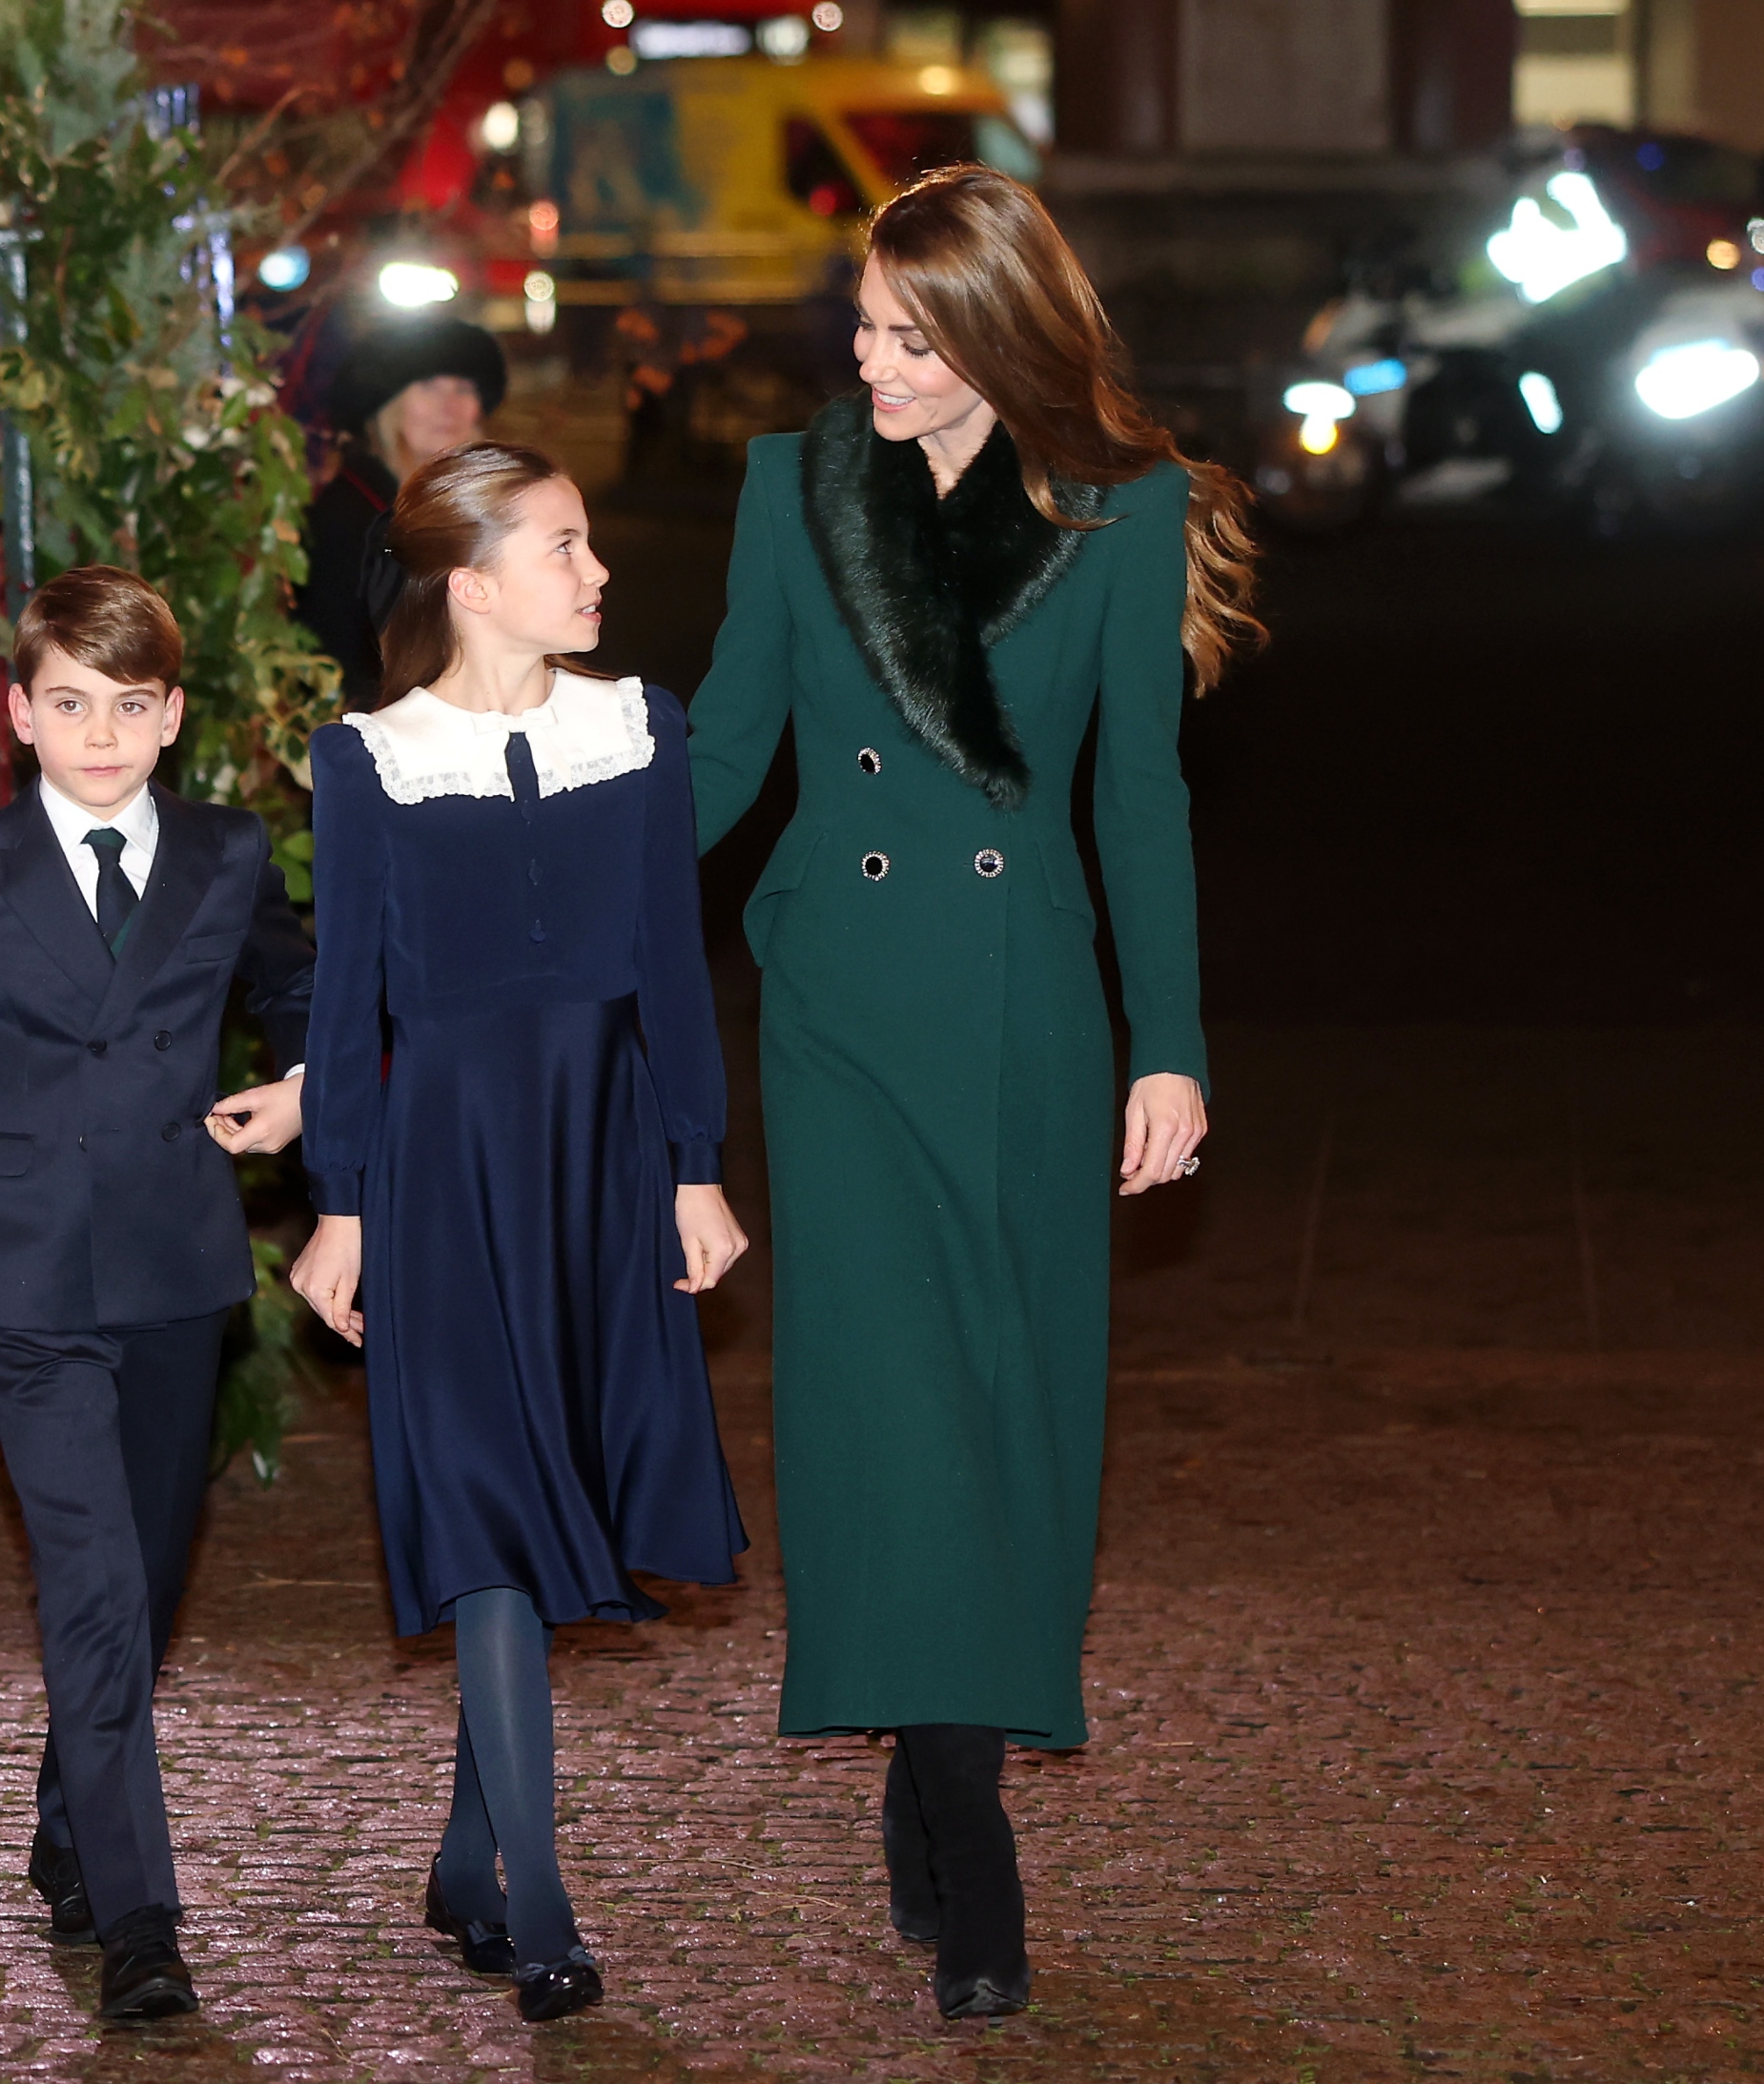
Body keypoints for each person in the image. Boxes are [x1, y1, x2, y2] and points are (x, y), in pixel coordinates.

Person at [684, 165, 1250, 2020]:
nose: (872, 366)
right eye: (861, 328)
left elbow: (1139, 799)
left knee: (1013, 1415)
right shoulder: (795, 488)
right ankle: (967, 1825)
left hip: (1026, 1016)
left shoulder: (1129, 507)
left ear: (1004, 339)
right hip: (841, 1016)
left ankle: (945, 1767)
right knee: (886, 1415)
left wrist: (1168, 1044)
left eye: (911, 340)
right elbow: (726, 752)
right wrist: (534, 885)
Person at [288, 441, 751, 2023]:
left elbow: (672, 972)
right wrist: (336, 1203)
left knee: (568, 1478)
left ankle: (463, 1853)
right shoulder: (364, 760)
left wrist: (693, 1162)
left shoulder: (640, 726)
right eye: (562, 548)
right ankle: (538, 1899)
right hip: (441, 1167)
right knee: (485, 1499)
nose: (596, 572)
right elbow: (345, 1001)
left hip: (601, 1154)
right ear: (473, 583)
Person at [0, 566, 318, 2024]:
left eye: (129, 705)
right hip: (28, 1277)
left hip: (180, 1271)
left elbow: (307, 989)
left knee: (151, 1577)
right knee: (96, 1584)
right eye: (69, 704)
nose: (99, 733)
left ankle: (72, 1812)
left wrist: (303, 1088)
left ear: (173, 715)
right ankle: (141, 1918)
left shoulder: (229, 857)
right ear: (19, 714)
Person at [299, 312, 505, 705]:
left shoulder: (488, 507)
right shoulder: (348, 516)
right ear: (387, 404)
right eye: (428, 385)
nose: (450, 405)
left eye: (464, 388)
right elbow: (337, 660)